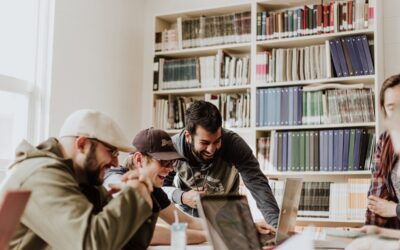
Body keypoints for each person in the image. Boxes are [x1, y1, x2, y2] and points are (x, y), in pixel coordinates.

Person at [0, 109, 155, 250]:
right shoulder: (41, 175)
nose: (116, 163)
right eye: (111, 152)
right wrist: (134, 196)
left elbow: (129, 245)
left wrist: (144, 193)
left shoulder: (84, 180)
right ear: (82, 144)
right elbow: (90, 245)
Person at [162, 100, 280, 228]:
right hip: (188, 220)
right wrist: (182, 196)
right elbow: (160, 189)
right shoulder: (172, 148)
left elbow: (258, 185)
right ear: (188, 136)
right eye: (205, 143)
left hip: (227, 219)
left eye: (217, 141)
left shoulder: (234, 144)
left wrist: (276, 227)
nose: (211, 149)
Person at [103, 127, 207, 245]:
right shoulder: (115, 178)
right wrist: (206, 236)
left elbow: (187, 222)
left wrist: (222, 226)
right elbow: (142, 232)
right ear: (139, 160)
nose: (170, 169)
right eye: (163, 162)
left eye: (171, 162)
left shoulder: (152, 187)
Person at [366, 74, 400, 229]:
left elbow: (387, 208)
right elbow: (377, 198)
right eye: (392, 107)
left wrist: (393, 209)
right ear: (384, 110)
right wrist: (370, 231)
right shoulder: (385, 140)